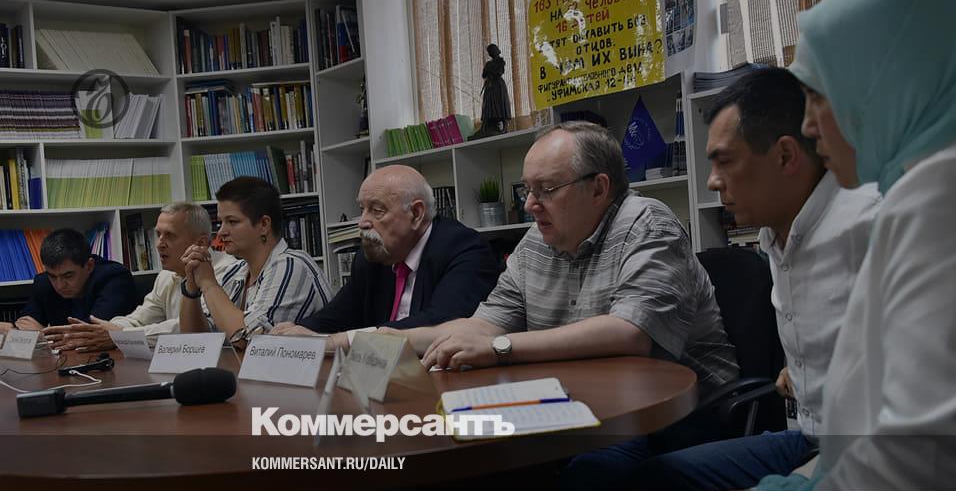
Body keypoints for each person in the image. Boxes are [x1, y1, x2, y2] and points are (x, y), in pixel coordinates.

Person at [681, 0, 956, 491]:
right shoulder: (918, 185)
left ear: (884, 81)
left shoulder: (936, 194)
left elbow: (933, 464)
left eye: (818, 96)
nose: (811, 127)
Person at [573, 67, 879, 491]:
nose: (713, 182)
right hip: (812, 438)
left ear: (785, 155)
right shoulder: (776, 235)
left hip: (866, 457)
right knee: (618, 485)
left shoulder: (868, 228)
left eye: (725, 161)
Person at [395, 121, 736, 385]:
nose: (530, 205)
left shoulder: (648, 224)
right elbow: (485, 326)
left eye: (547, 189)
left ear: (598, 188)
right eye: (528, 190)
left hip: (679, 406)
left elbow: (631, 332)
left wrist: (501, 349)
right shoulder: (536, 240)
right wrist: (392, 339)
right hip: (588, 398)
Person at [271, 165, 499, 352]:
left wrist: (337, 342)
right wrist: (297, 332)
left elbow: (439, 323)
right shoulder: (372, 256)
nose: (363, 222)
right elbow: (338, 315)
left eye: (377, 210)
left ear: (416, 214)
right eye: (362, 209)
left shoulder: (465, 249)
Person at [42, 203, 235, 351]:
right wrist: (99, 331)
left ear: (201, 242)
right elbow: (139, 319)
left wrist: (119, 336)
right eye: (158, 234)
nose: (159, 244)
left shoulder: (227, 273)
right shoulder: (166, 276)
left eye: (170, 236)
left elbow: (186, 329)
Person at [179, 177, 332, 349]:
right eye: (220, 222)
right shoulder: (234, 272)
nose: (221, 232)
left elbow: (250, 340)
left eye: (232, 222)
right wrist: (191, 290)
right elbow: (195, 342)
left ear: (264, 224)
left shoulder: (291, 265)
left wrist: (208, 283)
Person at [0, 228, 137, 332]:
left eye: (68, 276)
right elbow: (26, 323)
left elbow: (92, 331)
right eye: (53, 276)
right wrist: (14, 329)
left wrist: (42, 334)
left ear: (89, 266)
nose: (59, 285)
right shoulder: (43, 282)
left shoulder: (114, 277)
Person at [468, 43, 512, 140]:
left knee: (500, 106)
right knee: (488, 107)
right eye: (489, 52)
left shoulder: (500, 61)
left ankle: (504, 127)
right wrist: (489, 70)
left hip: (498, 87)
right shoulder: (489, 63)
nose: (490, 53)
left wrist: (491, 71)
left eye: (492, 51)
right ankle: (485, 127)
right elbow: (484, 74)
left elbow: (499, 72)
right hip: (490, 87)